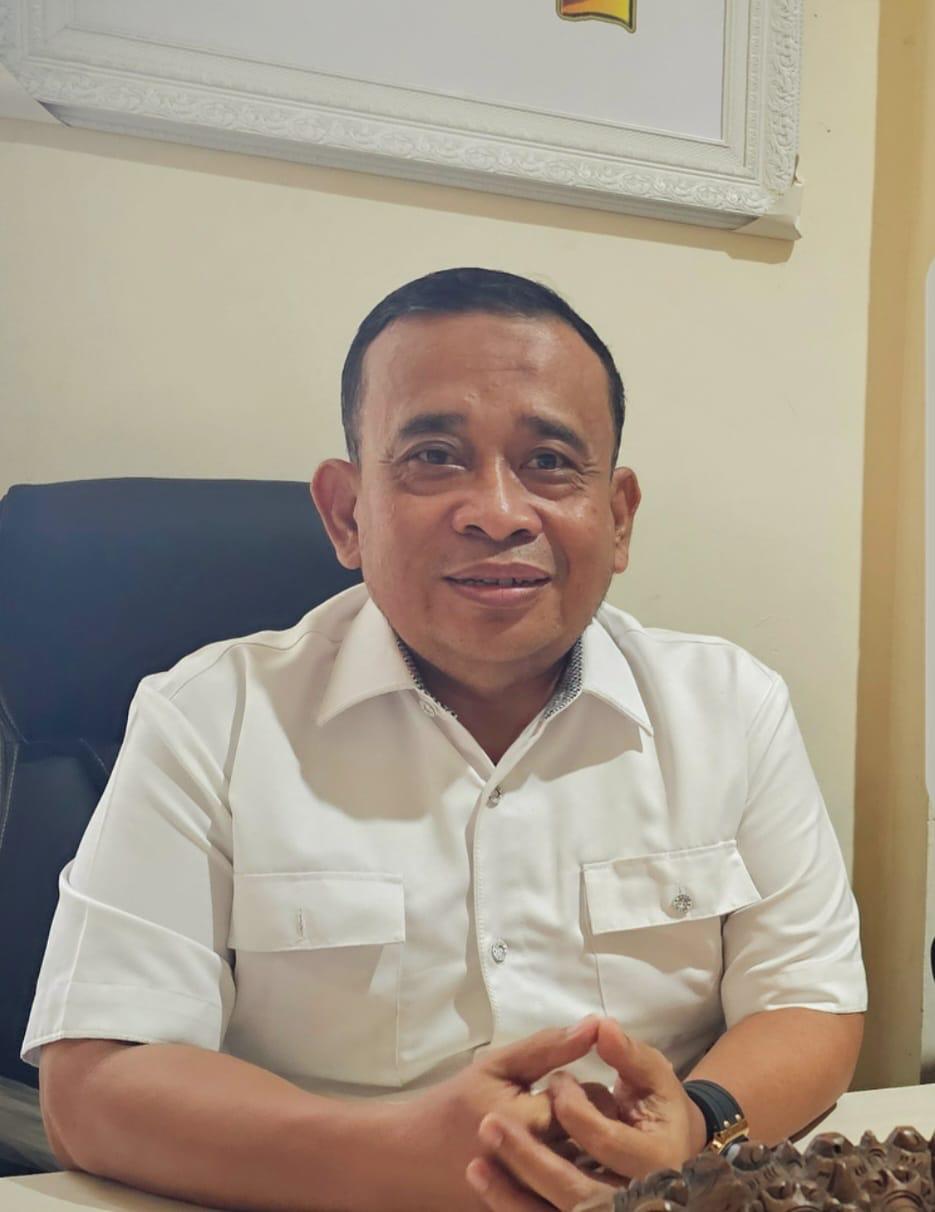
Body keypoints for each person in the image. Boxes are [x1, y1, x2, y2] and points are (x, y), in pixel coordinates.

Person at [24, 268, 866, 1212]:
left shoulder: (730, 706)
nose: (498, 512)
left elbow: (809, 1002)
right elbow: (96, 1083)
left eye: (549, 461)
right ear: (346, 513)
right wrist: (391, 1155)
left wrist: (697, 1129)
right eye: (433, 456)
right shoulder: (208, 715)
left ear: (618, 515)